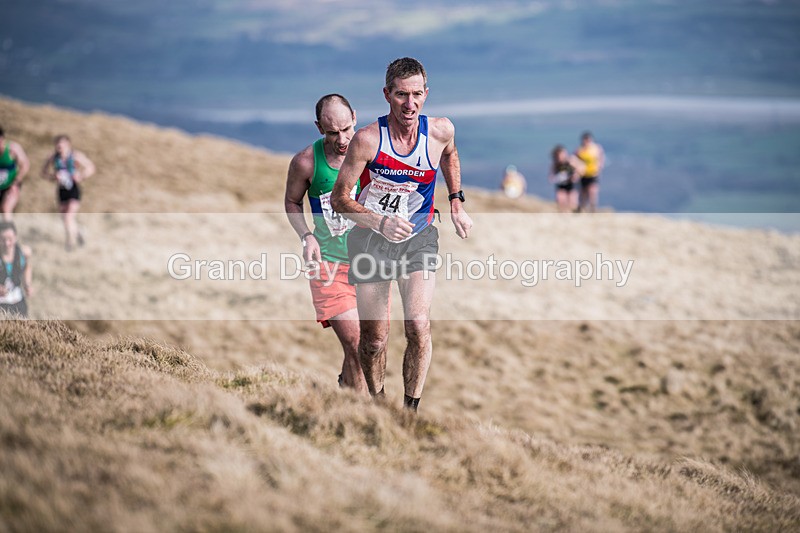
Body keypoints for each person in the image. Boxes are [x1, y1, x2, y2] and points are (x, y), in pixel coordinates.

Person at [331, 57, 473, 412]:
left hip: (419, 236)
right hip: (371, 240)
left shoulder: (441, 131)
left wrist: (455, 201)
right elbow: (339, 199)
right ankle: (379, 407)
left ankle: (409, 412)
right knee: (376, 339)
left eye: (416, 95)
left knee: (418, 324)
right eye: (400, 95)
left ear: (426, 94)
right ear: (386, 95)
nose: (409, 105)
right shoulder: (367, 140)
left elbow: (450, 156)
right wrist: (379, 221)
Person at [284, 94, 368, 393]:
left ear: (355, 118)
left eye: (347, 129)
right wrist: (306, 236)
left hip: (368, 265)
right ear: (319, 127)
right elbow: (292, 202)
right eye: (333, 132)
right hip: (329, 266)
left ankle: (345, 392)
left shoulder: (370, 152)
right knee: (356, 341)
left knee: (369, 346)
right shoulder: (306, 162)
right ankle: (365, 416)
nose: (343, 139)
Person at [41, 135, 96, 250]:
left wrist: (81, 176)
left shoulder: (75, 155)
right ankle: (79, 233)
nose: (60, 148)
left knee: (68, 217)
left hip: (73, 189)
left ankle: (69, 243)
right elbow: (43, 173)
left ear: (68, 145)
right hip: (61, 190)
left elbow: (90, 167)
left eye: (62, 145)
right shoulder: (53, 157)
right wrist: (53, 177)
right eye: (58, 145)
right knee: (65, 218)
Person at [0, 221, 33, 317]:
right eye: (2, 239)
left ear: (15, 237)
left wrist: (27, 284)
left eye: (10, 239)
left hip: (18, 301)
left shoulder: (23, 252)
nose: (6, 243)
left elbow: (27, 266)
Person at [0, 126, 31, 221]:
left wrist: (16, 182)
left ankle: (9, 233)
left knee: (6, 209)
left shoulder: (12, 148)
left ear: (2, 138)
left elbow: (25, 165)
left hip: (12, 184)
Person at [548, 145, 585, 213]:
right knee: (560, 200)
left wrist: (576, 175)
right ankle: (564, 215)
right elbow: (551, 175)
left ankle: (576, 214)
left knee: (572, 202)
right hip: (561, 183)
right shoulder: (555, 164)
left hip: (572, 184)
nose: (560, 157)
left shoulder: (571, 160)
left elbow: (582, 168)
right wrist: (556, 178)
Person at [575, 131, 605, 212]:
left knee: (593, 192)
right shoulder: (579, 150)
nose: (587, 142)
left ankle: (593, 209)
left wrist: (599, 168)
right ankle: (581, 209)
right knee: (583, 193)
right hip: (583, 174)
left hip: (593, 174)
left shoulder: (596, 148)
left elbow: (601, 158)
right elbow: (574, 160)